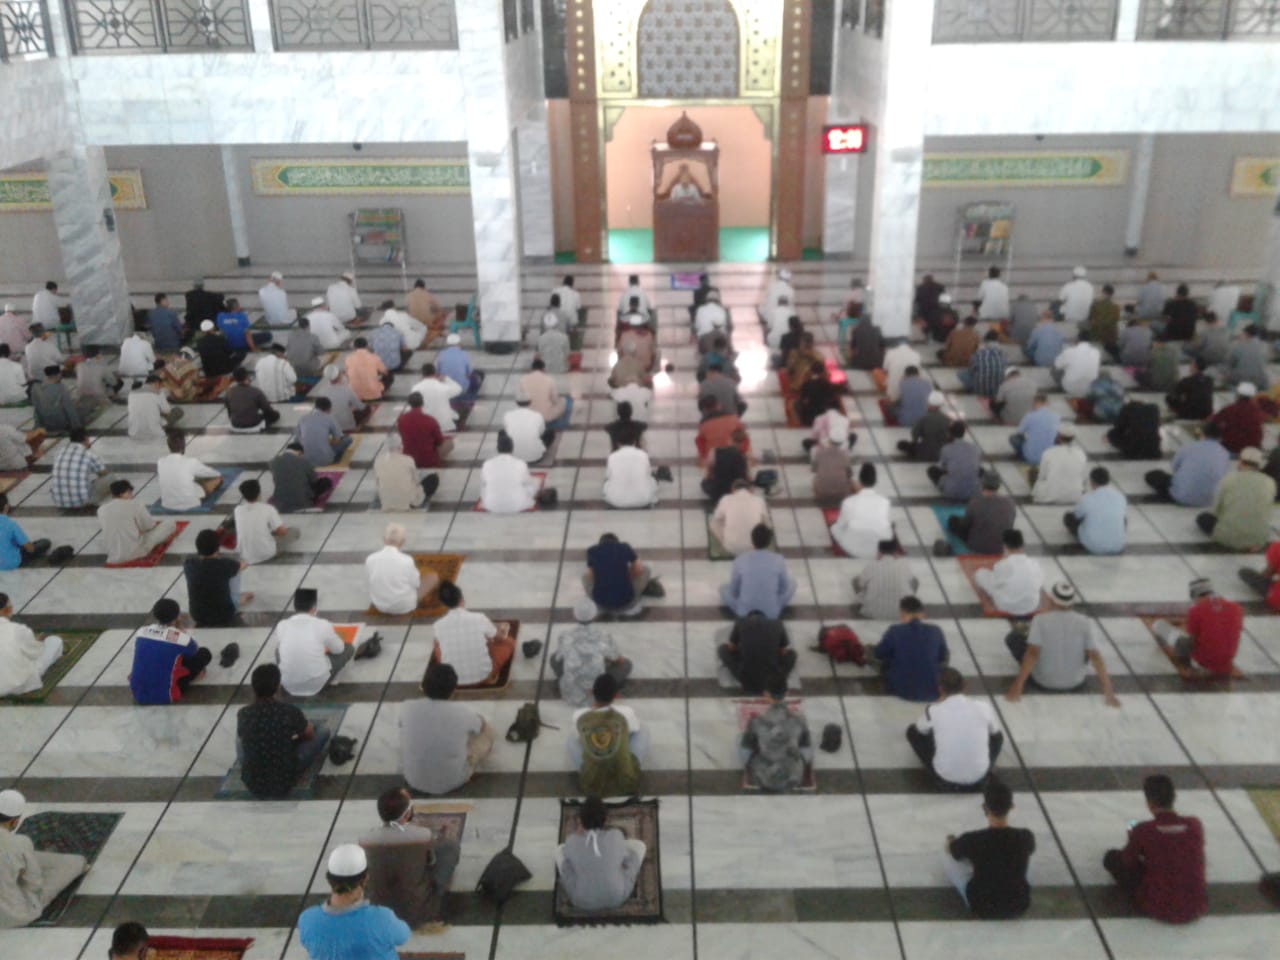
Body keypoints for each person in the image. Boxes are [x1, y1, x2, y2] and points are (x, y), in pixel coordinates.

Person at [1103, 775, 1206, 924]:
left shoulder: (1143, 830)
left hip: (1158, 906)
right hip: (1196, 904)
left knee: (1112, 858)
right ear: (1174, 797)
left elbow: (1128, 860)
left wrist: (1134, 837)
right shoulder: (1194, 825)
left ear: (1149, 802)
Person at [359, 787, 459, 930]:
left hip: (378, 914)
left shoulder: (366, 840)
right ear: (407, 814)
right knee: (450, 847)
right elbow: (431, 863)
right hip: (419, 913)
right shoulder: (423, 835)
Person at [1005, 582, 1119, 705]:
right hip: (1075, 682)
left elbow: (1032, 654)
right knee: (1087, 647)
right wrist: (1109, 692)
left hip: (1043, 682)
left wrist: (1017, 686)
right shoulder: (1084, 622)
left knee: (1014, 638)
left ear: (1052, 600)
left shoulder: (1040, 620)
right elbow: (1095, 657)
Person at [942, 778, 1035, 919]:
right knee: (1024, 859)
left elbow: (952, 850)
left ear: (985, 808)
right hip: (1019, 905)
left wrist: (950, 841)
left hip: (982, 906)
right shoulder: (1025, 836)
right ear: (1012, 806)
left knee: (948, 857)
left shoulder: (973, 839)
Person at [298, 844, 410, 958]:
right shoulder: (382, 918)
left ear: (329, 878)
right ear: (365, 878)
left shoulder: (307, 920)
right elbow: (403, 936)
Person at [401, 661, 495, 795]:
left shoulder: (407, 707)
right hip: (451, 781)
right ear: (452, 690)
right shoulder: (460, 712)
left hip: (413, 780)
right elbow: (482, 726)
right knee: (487, 734)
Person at [0, 788, 89, 928]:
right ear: (15, 821)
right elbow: (34, 884)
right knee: (75, 862)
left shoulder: (19, 844)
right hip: (13, 914)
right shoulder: (20, 843)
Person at [907, 667, 1003, 790]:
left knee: (912, 732)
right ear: (964, 685)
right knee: (997, 737)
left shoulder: (934, 710)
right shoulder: (983, 707)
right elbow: (995, 733)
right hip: (979, 776)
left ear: (940, 689)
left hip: (945, 778)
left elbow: (919, 729)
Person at [556, 796, 647, 912]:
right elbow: (629, 855)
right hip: (617, 897)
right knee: (639, 846)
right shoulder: (616, 835)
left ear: (580, 820)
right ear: (606, 820)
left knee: (559, 850)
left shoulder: (571, 840)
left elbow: (567, 856)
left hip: (581, 900)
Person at [570, 674, 646, 796]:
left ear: (591, 692)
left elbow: (580, 740)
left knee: (572, 740)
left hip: (592, 786)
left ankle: (590, 770)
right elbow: (634, 730)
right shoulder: (626, 713)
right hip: (626, 784)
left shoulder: (579, 716)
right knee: (641, 731)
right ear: (616, 695)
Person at [128, 598, 212, 705]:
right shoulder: (180, 638)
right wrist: (181, 631)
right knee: (204, 654)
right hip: (165, 695)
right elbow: (193, 652)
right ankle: (193, 676)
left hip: (137, 694)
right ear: (177, 617)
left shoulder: (141, 632)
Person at [737, 675, 812, 792]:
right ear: (787, 693)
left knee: (741, 739)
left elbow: (744, 755)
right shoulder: (800, 720)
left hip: (762, 778)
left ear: (766, 695)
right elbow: (807, 754)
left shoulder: (756, 722)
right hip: (793, 778)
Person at [552, 598, 631, 706]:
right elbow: (619, 660)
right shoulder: (603, 636)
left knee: (553, 659)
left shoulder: (565, 635)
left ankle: (571, 682)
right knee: (627, 665)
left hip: (570, 693)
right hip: (598, 693)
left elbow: (557, 659)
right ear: (595, 615)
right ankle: (606, 690)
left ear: (575, 615)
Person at [432, 580, 513, 686]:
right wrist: (502, 629)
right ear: (462, 599)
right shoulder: (479, 618)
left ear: (443, 604)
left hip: (451, 679)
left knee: (437, 646)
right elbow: (500, 638)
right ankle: (489, 678)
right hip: (483, 675)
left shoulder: (437, 625)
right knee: (509, 643)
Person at [276, 588, 352, 696]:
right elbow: (339, 649)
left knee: (278, 650)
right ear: (314, 607)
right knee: (348, 648)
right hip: (317, 683)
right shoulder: (322, 625)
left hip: (288, 684)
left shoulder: (282, 625)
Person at [1197, 446, 1275, 550]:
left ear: (1240, 461)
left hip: (1227, 538)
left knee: (1203, 518)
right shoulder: (1269, 482)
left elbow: (1216, 511)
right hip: (1260, 539)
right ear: (1260, 465)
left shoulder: (1228, 479)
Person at [873, 596, 948, 702]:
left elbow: (879, 654)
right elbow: (942, 657)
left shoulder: (894, 631)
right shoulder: (936, 631)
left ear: (903, 615)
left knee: (872, 651)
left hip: (899, 690)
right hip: (933, 689)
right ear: (922, 615)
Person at [720, 524, 796, 620]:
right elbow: (784, 588)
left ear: (752, 540)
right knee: (793, 584)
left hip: (744, 612)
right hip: (771, 613)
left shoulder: (740, 559)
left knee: (723, 589)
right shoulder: (778, 559)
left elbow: (734, 592)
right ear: (769, 542)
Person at [1145, 421, 1229, 506]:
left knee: (1153, 476)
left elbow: (1175, 467)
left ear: (1202, 433)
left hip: (1182, 497)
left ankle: (1172, 494)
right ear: (1220, 437)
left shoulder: (1189, 446)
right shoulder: (1224, 452)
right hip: (1210, 500)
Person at [97, 480, 177, 566]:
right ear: (125, 492)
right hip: (135, 552)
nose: (132, 495)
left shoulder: (101, 509)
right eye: (130, 493)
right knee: (169, 524)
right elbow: (149, 526)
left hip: (112, 554)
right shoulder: (135, 504)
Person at [0, 594, 63, 697]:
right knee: (55, 641)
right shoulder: (18, 630)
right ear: (6, 610)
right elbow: (36, 653)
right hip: (18, 684)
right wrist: (37, 642)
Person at [184, 528, 249, 626]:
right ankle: (236, 599)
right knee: (236, 571)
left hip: (197, 615)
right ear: (218, 548)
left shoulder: (189, 564)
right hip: (225, 614)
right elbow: (243, 565)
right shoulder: (225, 565)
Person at [366, 523, 436, 615]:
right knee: (432, 577)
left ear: (384, 539)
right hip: (404, 606)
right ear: (403, 542)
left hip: (380, 605)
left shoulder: (370, 559)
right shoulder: (407, 560)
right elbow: (416, 583)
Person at [973, 530, 1044, 617]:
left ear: (1005, 546)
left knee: (980, 573)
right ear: (1022, 545)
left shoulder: (1003, 565)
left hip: (1007, 606)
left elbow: (995, 583)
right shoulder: (1034, 563)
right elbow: (1039, 583)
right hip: (1032, 605)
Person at [831, 463, 893, 559]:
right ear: (875, 481)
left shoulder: (848, 502)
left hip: (853, 548)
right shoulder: (885, 502)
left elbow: (840, 526)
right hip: (880, 549)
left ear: (859, 481)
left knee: (834, 528)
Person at [585, 532, 656, 617]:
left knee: (584, 577)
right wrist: (625, 575)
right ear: (617, 541)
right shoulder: (624, 547)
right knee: (646, 569)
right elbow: (639, 569)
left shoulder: (592, 551)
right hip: (626, 602)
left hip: (600, 603)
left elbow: (591, 575)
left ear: (600, 543)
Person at [949, 472, 1016, 555]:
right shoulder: (1009, 502)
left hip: (978, 546)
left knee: (953, 521)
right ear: (999, 485)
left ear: (982, 484)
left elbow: (965, 525)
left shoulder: (976, 502)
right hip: (1001, 547)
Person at [1065, 466, 1127, 555]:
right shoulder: (1120, 496)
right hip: (1118, 546)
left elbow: (1076, 516)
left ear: (1092, 481)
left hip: (1094, 546)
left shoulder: (1087, 498)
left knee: (1068, 517)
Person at [853, 539, 919, 620]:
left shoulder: (871, 565)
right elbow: (913, 582)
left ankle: (861, 603)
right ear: (895, 553)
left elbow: (860, 584)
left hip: (873, 612)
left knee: (856, 580)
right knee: (914, 581)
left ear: (879, 552)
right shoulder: (903, 565)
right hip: (903, 612)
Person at [234, 478, 295, 564]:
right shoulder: (268, 508)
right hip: (266, 554)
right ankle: (275, 551)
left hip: (245, 555)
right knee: (294, 532)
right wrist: (272, 532)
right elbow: (282, 532)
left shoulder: (238, 510)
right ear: (259, 493)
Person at [49, 428, 111, 509]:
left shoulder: (59, 452)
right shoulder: (89, 454)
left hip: (58, 501)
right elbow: (104, 473)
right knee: (110, 478)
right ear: (86, 439)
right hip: (82, 501)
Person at [374, 434, 438, 511]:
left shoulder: (378, 461)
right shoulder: (408, 460)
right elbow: (416, 481)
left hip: (387, 503)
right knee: (433, 479)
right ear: (400, 446)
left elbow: (377, 483)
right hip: (409, 503)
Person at [479, 431, 539, 513]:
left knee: (484, 488)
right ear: (512, 448)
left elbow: (483, 483)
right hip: (517, 504)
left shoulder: (487, 464)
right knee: (535, 482)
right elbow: (527, 482)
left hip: (491, 505)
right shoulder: (520, 463)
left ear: (497, 449)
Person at [710, 479, 771, 556]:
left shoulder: (726, 499)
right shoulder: (759, 500)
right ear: (749, 490)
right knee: (763, 522)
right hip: (755, 547)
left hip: (731, 547)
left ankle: (725, 541)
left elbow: (716, 520)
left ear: (732, 490)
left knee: (714, 523)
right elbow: (768, 525)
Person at [1031, 422, 1088, 504]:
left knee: (1033, 473)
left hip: (1051, 495)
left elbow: (1042, 476)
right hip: (1075, 496)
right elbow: (1084, 478)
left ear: (1059, 437)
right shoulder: (1081, 454)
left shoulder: (1048, 453)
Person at [270, 442, 334, 513]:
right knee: (325, 482)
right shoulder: (304, 461)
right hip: (302, 502)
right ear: (300, 452)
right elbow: (314, 480)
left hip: (280, 504)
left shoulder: (273, 462)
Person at [603, 433, 658, 509]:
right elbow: (648, 474)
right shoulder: (643, 455)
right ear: (634, 442)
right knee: (652, 480)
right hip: (643, 499)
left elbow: (608, 476)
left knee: (606, 482)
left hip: (616, 500)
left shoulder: (612, 457)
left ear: (618, 443)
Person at [397, 391, 451, 469]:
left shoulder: (401, 419)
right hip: (428, 460)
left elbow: (402, 435)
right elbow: (439, 441)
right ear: (422, 403)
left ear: (409, 404)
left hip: (408, 457)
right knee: (450, 443)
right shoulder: (430, 420)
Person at [33, 365, 92, 434]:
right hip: (61, 424)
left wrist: (37, 427)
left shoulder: (36, 388)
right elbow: (70, 410)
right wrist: (77, 427)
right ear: (58, 375)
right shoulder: (61, 388)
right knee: (83, 410)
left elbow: (36, 410)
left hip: (46, 425)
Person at [1208, 382, 1263, 453]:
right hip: (1252, 449)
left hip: (1232, 448)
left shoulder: (1230, 409)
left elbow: (1214, 421)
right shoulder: (1258, 411)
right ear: (1252, 397)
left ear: (1238, 395)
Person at [296, 397, 353, 467]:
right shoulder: (329, 418)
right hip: (325, 459)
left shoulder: (303, 418)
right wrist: (328, 441)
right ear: (329, 408)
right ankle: (335, 457)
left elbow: (297, 440)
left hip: (306, 459)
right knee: (348, 439)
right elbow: (338, 439)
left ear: (315, 407)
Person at [311, 364, 368, 433]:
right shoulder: (346, 389)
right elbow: (361, 407)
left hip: (330, 427)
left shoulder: (322, 391)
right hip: (347, 426)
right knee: (367, 409)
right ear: (339, 375)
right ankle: (358, 429)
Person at [521, 357, 572, 431]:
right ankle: (562, 425)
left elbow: (521, 400)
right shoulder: (549, 379)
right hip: (545, 417)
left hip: (529, 416)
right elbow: (555, 400)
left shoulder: (523, 379)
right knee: (565, 401)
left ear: (531, 369)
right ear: (543, 369)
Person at [898, 390, 950, 461]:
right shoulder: (947, 419)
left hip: (925, 453)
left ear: (929, 404)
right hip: (941, 453)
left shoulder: (924, 418)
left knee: (902, 444)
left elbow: (915, 435)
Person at [126, 375, 182, 442]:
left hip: (133, 432)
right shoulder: (158, 392)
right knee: (178, 411)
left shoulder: (131, 393)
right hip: (155, 432)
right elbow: (167, 411)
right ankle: (162, 426)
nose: (160, 387)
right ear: (157, 383)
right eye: (160, 385)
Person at [409, 363, 462, 432]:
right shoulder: (443, 387)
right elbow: (458, 389)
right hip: (444, 425)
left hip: (426, 424)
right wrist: (446, 379)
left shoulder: (415, 388)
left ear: (422, 374)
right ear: (435, 373)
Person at [222, 368, 278, 433]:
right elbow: (267, 409)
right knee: (275, 415)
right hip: (253, 423)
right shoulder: (256, 391)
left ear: (234, 379)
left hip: (236, 423)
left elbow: (229, 409)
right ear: (247, 376)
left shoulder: (229, 392)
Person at [1010, 392, 1059, 465]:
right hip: (1048, 456)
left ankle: (1021, 455)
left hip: (1031, 456)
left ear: (1035, 402)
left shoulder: (1029, 416)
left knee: (1014, 438)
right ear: (1046, 402)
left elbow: (1019, 432)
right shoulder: (1056, 417)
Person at [503, 391, 550, 463]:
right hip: (535, 457)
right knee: (550, 433)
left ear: (516, 402)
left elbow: (506, 432)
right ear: (530, 402)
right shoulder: (537, 415)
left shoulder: (508, 415)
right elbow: (542, 432)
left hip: (514, 457)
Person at [1052, 332, 1101, 398]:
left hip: (1070, 388)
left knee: (1055, 369)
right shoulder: (1096, 352)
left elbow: (1056, 365)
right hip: (1090, 388)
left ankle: (1062, 389)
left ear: (1077, 340)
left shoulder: (1069, 351)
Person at [959, 332, 1007, 398]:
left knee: (961, 373)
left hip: (980, 390)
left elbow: (971, 371)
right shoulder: (1002, 354)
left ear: (985, 341)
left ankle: (972, 390)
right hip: (997, 390)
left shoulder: (978, 354)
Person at [1166, 356, 1214, 421]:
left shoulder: (1186, 381)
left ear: (1194, 366)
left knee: (1169, 398)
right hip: (1206, 413)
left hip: (1190, 413)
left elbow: (1173, 395)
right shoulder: (1209, 381)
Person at [436, 333, 484, 398]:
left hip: (446, 388)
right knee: (479, 374)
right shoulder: (464, 354)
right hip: (462, 388)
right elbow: (469, 374)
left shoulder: (441, 354)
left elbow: (437, 372)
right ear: (459, 343)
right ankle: (470, 398)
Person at [1225, 323, 1269, 390]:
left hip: (1242, 381)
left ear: (1246, 334)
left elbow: (1230, 364)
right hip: (1261, 381)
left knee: (1225, 371)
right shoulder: (1264, 346)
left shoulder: (1238, 347)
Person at [345, 337, 391, 402]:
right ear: (367, 346)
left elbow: (347, 376)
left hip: (355, 395)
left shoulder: (348, 358)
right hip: (373, 394)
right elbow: (385, 372)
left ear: (354, 347)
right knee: (390, 377)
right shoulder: (374, 357)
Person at [812, 435, 853, 504]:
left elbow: (814, 470)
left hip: (822, 494)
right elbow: (849, 474)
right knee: (853, 482)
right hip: (842, 495)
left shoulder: (819, 453)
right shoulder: (845, 455)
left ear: (829, 441)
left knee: (814, 480)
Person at [406, 278, 449, 342]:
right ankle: (435, 331)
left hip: (413, 322)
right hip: (426, 323)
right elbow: (438, 307)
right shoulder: (426, 294)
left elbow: (409, 310)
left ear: (414, 287)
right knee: (444, 314)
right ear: (424, 287)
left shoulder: (409, 295)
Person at [1083, 283, 1120, 349]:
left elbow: (1090, 318)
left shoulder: (1095, 305)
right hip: (1111, 337)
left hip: (1097, 335)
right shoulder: (1116, 307)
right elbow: (1115, 320)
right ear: (1112, 295)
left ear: (1103, 292)